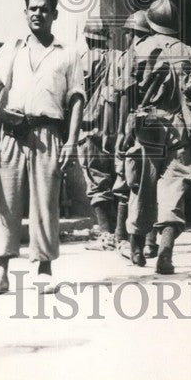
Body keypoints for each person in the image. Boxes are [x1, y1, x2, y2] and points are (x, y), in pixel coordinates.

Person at [0, 0, 84, 296]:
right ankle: (1, 273)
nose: (38, 13)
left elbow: (76, 99)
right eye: (33, 9)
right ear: (26, 13)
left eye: (44, 9)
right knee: (5, 202)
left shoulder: (68, 53)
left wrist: (71, 141)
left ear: (54, 15)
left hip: (47, 133)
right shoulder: (12, 49)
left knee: (45, 203)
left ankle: (44, 271)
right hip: (11, 132)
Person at [120, 0, 191, 274]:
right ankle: (165, 254)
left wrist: (124, 130)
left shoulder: (138, 50)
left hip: (146, 126)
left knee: (141, 188)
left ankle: (136, 250)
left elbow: (125, 93)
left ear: (151, 22)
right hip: (179, 129)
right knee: (174, 190)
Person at [110, 9, 151, 259]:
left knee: (127, 180)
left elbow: (125, 96)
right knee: (150, 181)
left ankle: (122, 237)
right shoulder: (160, 50)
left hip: (134, 124)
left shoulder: (131, 56)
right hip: (156, 126)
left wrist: (121, 132)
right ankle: (149, 241)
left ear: (131, 33)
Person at [79, 16, 120, 249]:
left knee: (97, 181)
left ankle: (107, 235)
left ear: (87, 39)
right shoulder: (120, 58)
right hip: (118, 129)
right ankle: (121, 233)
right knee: (119, 180)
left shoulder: (84, 60)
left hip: (92, 127)